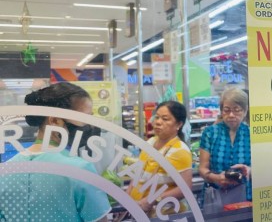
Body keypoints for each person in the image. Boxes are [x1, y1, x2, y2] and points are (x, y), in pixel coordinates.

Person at [0, 82, 111, 221]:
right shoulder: (80, 170)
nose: (90, 125)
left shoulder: (6, 171)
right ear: (55, 121)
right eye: (85, 118)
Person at [128, 100, 192, 217]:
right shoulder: (150, 142)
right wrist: (127, 197)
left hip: (165, 214)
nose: (158, 122)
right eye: (156, 117)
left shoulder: (180, 150)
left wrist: (153, 199)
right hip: (141, 212)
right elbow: (138, 174)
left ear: (179, 124)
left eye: (165, 119)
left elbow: (185, 189)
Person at [199, 88, 251, 211]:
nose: (231, 115)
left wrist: (250, 170)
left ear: (245, 110)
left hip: (246, 196)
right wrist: (216, 178)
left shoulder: (252, 133)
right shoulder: (210, 133)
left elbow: (263, 167)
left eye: (236, 110)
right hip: (215, 195)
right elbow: (202, 168)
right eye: (226, 110)